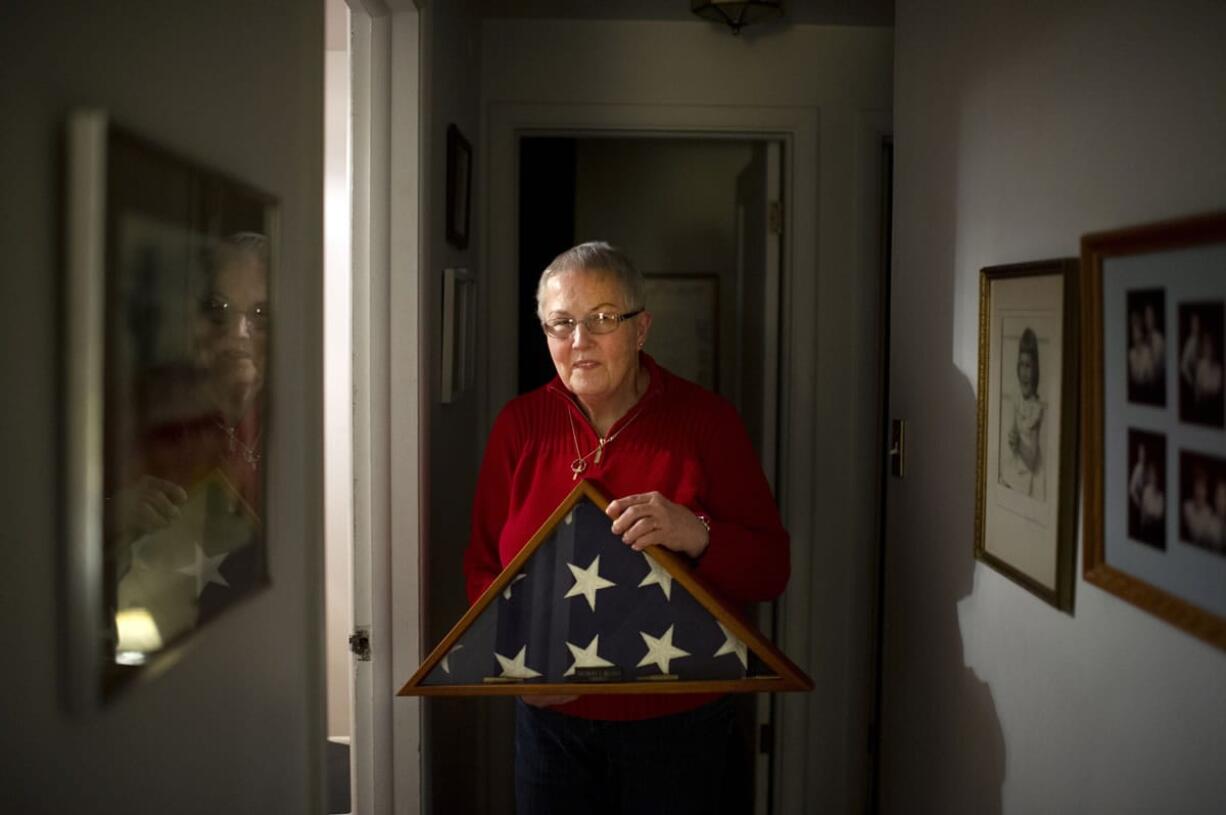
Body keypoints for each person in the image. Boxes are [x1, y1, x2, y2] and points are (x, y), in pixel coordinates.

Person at [463, 241, 789, 815]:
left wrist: (698, 532)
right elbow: (485, 571)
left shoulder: (707, 422)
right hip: (550, 725)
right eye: (561, 323)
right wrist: (515, 664)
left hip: (680, 725)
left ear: (641, 329)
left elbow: (771, 571)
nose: (579, 342)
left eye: (603, 319)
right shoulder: (519, 425)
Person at [111, 232, 270, 652]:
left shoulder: (317, 424)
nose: (238, 335)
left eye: (260, 314)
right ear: (193, 319)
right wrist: (116, 516)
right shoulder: (149, 411)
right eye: (218, 312)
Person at [1002, 327, 1044, 499]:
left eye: (1028, 366)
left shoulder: (1036, 409)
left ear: (1036, 369)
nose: (1024, 373)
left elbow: (1032, 460)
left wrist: (1018, 444)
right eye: (1021, 365)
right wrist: (1012, 439)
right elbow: (1013, 430)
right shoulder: (1017, 398)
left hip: (1027, 478)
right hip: (1013, 469)